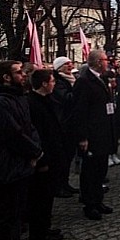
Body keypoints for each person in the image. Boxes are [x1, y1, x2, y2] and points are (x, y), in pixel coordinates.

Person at [0, 60, 43, 240]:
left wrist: (35, 150)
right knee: (4, 216)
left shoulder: (18, 97)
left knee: (16, 214)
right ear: (6, 77)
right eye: (18, 72)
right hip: (5, 167)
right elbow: (13, 135)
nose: (23, 75)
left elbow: (29, 128)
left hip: (20, 164)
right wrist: (33, 152)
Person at [72, 50, 116, 220]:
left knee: (100, 169)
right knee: (90, 171)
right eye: (106, 60)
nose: (108, 62)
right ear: (98, 62)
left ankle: (98, 200)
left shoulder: (101, 79)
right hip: (92, 133)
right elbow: (79, 111)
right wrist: (82, 137)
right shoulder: (84, 82)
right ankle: (89, 204)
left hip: (104, 131)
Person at [25, 69, 65, 240]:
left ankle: (45, 227)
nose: (54, 84)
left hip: (54, 153)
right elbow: (36, 133)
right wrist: (41, 158)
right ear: (44, 83)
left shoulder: (48, 99)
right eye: (52, 81)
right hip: (43, 156)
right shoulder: (32, 103)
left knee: (47, 196)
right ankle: (38, 233)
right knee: (39, 197)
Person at [51, 56, 79, 198]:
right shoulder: (58, 82)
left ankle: (65, 183)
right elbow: (66, 99)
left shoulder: (72, 79)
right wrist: (78, 91)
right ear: (59, 67)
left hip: (71, 122)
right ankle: (58, 185)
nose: (70, 65)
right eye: (66, 64)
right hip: (63, 122)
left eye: (70, 63)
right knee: (62, 157)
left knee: (69, 156)